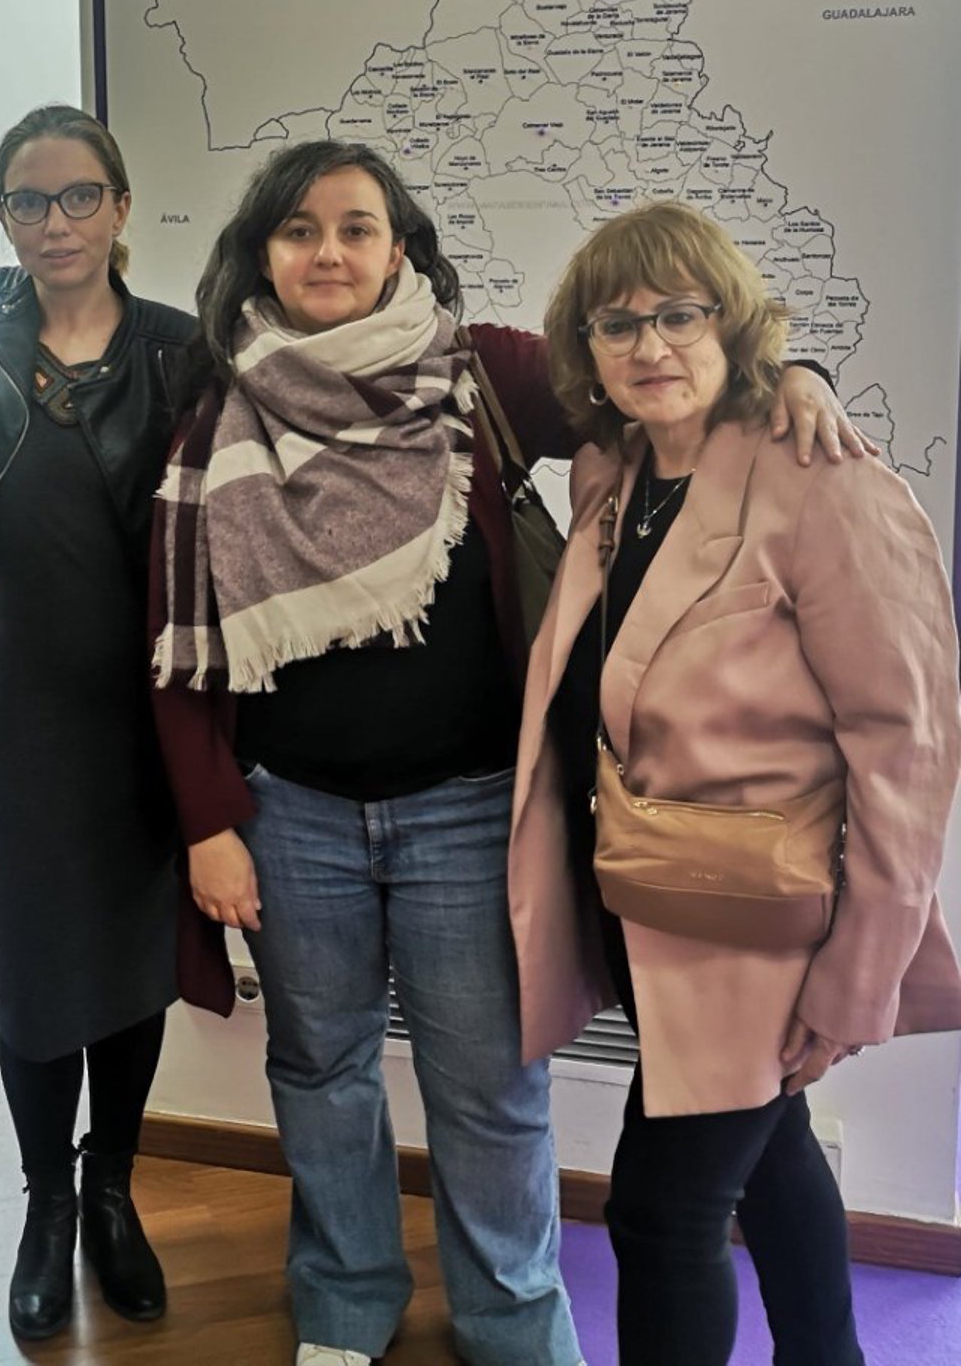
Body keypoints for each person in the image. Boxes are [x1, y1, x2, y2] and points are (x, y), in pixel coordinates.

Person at [146, 140, 861, 1366]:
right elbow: (176, 636)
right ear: (262, 253)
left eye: (357, 227)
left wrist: (792, 371)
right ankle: (344, 1301)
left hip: (471, 810)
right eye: (300, 229)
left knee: (490, 1083)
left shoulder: (476, 372)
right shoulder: (217, 405)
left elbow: (655, 384)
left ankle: (512, 1316)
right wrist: (209, 818)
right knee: (318, 1069)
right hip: (290, 813)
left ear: (400, 248)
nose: (328, 251)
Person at [514, 200, 961, 1366]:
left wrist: (858, 977)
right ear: (588, 349)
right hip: (652, 906)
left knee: (661, 1214)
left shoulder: (823, 483)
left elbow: (907, 749)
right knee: (773, 1154)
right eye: (618, 324)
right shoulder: (615, 477)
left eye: (680, 314)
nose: (650, 345)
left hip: (766, 930)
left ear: (733, 323)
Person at [0, 106, 202, 1338]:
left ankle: (113, 1190)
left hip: (155, 706)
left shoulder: (180, 350)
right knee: (41, 967)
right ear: (3, 215)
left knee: (136, 964)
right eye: (29, 201)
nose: (56, 223)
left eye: (79, 196)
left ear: (121, 205)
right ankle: (47, 1204)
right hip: (27, 703)